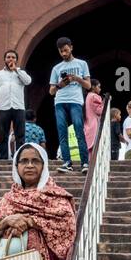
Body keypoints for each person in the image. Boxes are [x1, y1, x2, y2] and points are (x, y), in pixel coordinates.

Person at [48, 37, 90, 173]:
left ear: (71, 47)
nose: (64, 54)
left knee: (78, 129)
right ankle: (67, 162)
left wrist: (76, 78)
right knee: (62, 132)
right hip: (60, 101)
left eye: (66, 50)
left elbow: (88, 85)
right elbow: (51, 91)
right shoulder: (56, 68)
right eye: (61, 52)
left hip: (75, 101)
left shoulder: (82, 64)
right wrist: (60, 85)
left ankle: (85, 163)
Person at [0, 50, 31, 160]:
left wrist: (16, 70)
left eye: (13, 57)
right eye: (8, 57)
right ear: (4, 59)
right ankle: (3, 157)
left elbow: (28, 81)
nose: (10, 59)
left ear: (16, 60)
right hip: (4, 107)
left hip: (19, 107)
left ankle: (20, 158)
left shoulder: (20, 73)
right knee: (3, 134)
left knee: (20, 135)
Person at [83, 78, 105, 153]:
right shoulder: (94, 96)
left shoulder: (87, 96)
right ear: (93, 87)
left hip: (87, 125)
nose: (100, 89)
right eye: (99, 86)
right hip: (94, 126)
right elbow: (100, 111)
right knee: (95, 150)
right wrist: (105, 104)